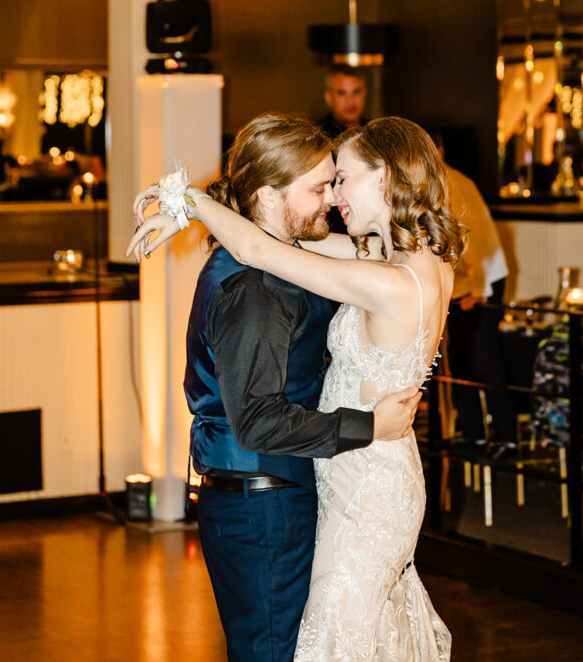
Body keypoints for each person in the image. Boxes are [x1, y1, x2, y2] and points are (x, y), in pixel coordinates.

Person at [130, 116, 459, 661]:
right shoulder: (408, 259)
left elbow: (262, 251)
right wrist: (189, 208)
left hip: (363, 481)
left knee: (334, 640)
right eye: (322, 185)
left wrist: (186, 201)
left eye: (340, 178)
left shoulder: (385, 276)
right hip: (351, 469)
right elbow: (261, 248)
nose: (332, 196)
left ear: (386, 179)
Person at [431, 130, 514, 455]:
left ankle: (507, 439)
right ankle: (473, 435)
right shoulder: (430, 183)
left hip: (483, 282)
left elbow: (473, 240)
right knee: (460, 363)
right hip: (459, 285)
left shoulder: (454, 184)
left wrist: (476, 290)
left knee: (485, 361)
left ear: (438, 150)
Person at [318, 64, 369, 139]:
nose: (350, 101)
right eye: (341, 93)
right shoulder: (319, 137)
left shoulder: (375, 133)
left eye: (356, 92)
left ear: (365, 93)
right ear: (328, 97)